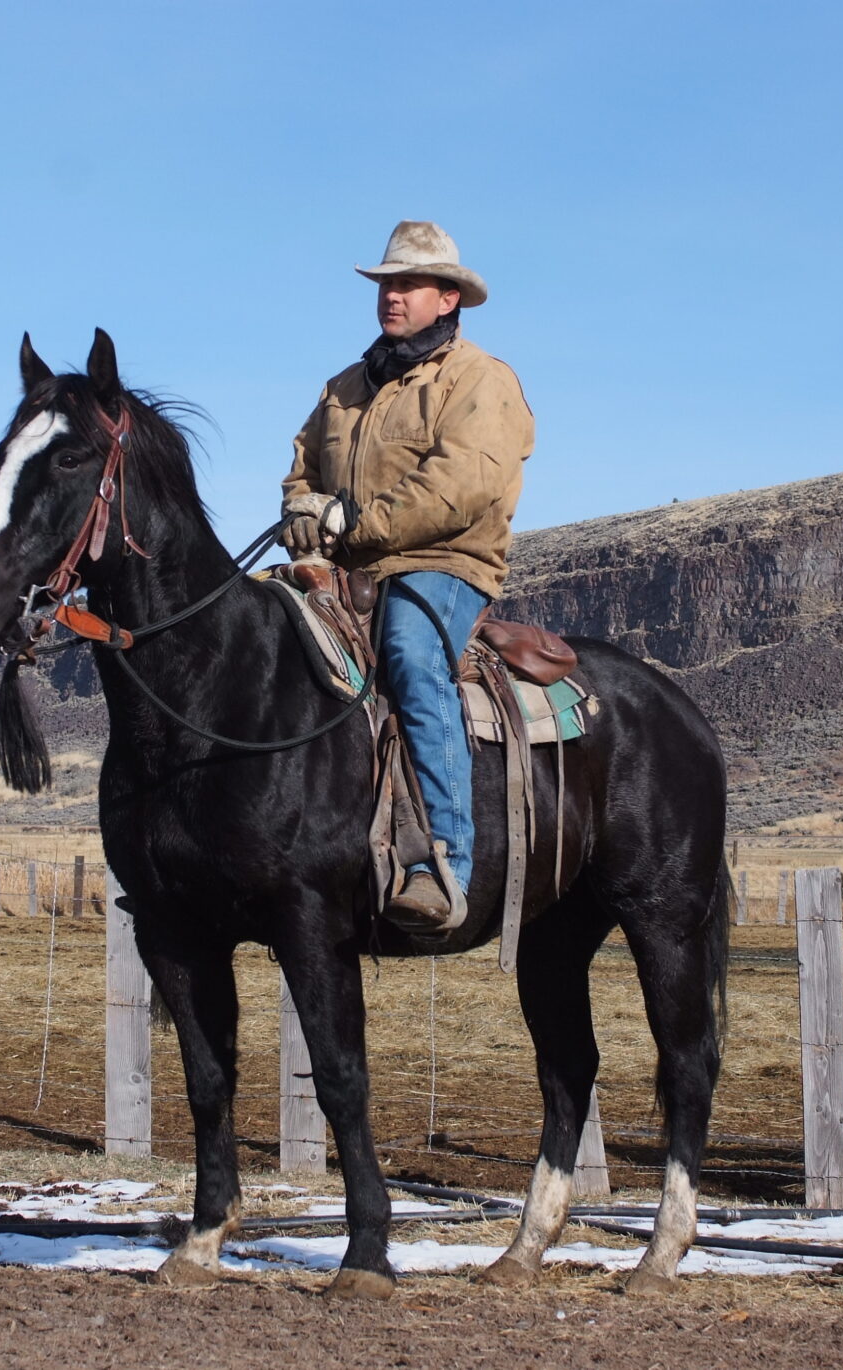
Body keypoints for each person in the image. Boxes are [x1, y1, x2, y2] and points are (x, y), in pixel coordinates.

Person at [281, 221, 535, 931]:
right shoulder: (344, 387)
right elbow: (303, 467)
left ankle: (443, 861)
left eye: (407, 284)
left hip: (444, 564)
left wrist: (351, 522)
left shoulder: (481, 380)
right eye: (385, 284)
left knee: (409, 655)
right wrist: (304, 513)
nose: (391, 296)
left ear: (448, 298)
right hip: (344, 566)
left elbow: (464, 485)